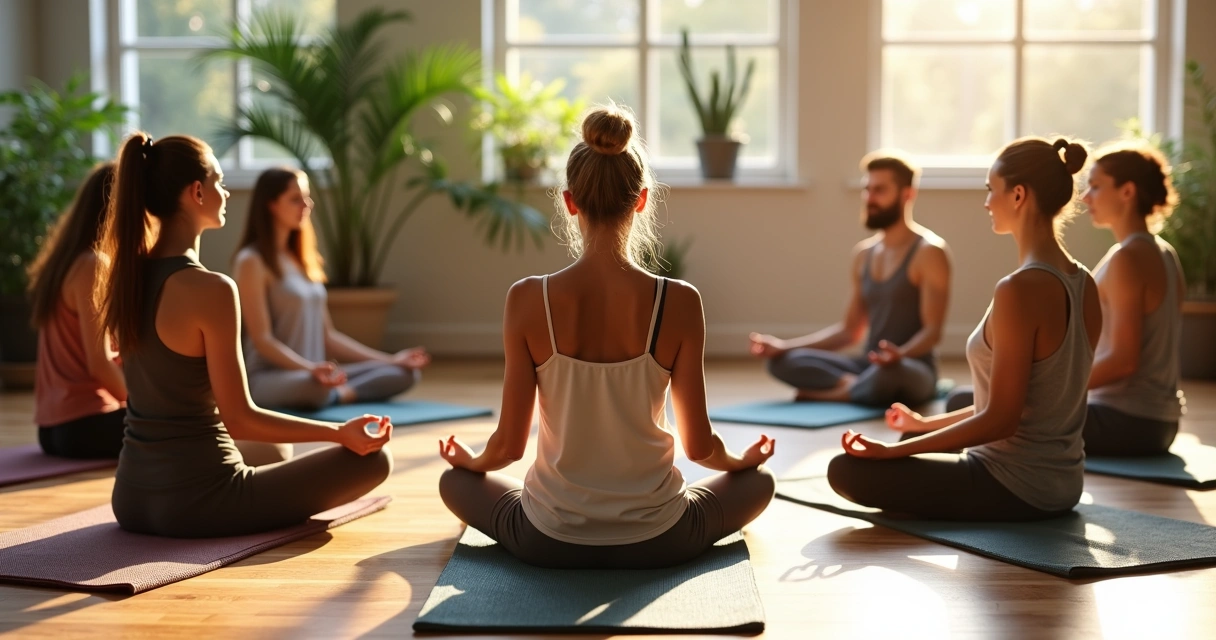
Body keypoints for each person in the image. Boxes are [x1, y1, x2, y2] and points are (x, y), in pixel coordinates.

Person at [435, 105, 776, 569]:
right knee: (760, 483)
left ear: (569, 201)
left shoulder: (526, 299)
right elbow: (701, 448)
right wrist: (742, 460)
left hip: (549, 539)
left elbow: (507, 448)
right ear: (641, 200)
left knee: (452, 483)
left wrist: (469, 461)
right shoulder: (679, 301)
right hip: (661, 537)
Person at [96, 132, 392, 538]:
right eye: (219, 181)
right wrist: (337, 432)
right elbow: (240, 418)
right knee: (375, 462)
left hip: (130, 497)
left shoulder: (127, 278)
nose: (226, 193)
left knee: (274, 451)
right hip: (201, 500)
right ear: (196, 193)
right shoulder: (212, 289)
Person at [829, 137, 1102, 521]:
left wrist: (893, 452)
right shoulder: (1085, 282)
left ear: (1018, 195)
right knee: (912, 436)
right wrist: (924, 425)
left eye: (992, 190)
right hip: (1065, 485)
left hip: (1011, 484)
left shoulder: (1019, 289)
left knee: (844, 471)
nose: (987, 201)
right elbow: (1026, 402)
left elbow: (1001, 419)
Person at [749, 151, 951, 407]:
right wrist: (783, 347)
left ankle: (837, 393)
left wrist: (900, 355)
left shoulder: (930, 252)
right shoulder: (863, 254)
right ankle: (855, 388)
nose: (869, 198)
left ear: (907, 194)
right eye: (867, 189)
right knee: (781, 362)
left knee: (887, 376)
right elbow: (849, 331)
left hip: (910, 367)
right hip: (869, 364)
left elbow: (933, 333)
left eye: (879, 190)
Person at [233, 167, 429, 412]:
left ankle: (337, 393)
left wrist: (391, 358)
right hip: (272, 378)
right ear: (270, 204)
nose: (306, 205)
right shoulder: (251, 261)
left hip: (316, 372)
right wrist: (309, 369)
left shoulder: (302, 260)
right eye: (295, 199)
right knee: (314, 387)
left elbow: (328, 336)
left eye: (307, 196)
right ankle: (334, 393)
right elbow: (262, 340)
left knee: (404, 373)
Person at [1079, 143, 1186, 455]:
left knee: (969, 403)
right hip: (1158, 424)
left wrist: (1055, 390)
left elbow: (1124, 361)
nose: (1086, 197)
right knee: (976, 403)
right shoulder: (1164, 251)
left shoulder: (1128, 257)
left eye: (1096, 186)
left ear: (1127, 191)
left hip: (1128, 420)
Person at [27, 163, 127, 458]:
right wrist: (143, 410)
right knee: (184, 426)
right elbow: (100, 364)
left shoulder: (66, 262)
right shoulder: (92, 265)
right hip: (85, 425)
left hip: (53, 429)